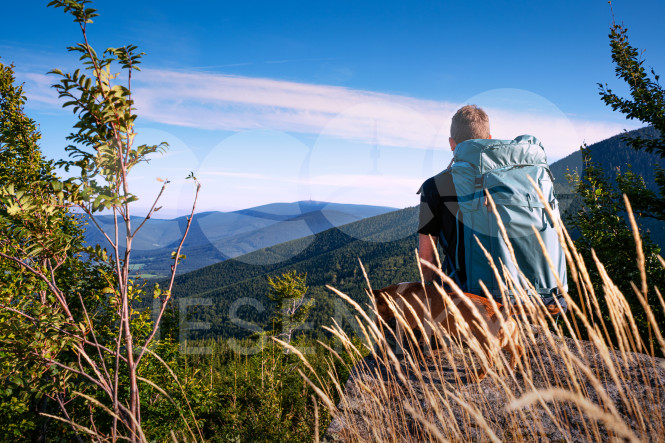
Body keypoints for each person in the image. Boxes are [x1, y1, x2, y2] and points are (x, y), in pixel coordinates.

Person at [417, 104, 491, 288]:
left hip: (465, 299)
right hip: (525, 297)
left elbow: (426, 260)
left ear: (452, 144)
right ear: (490, 140)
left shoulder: (434, 186)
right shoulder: (514, 180)